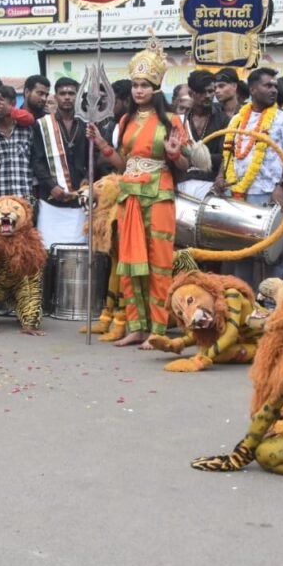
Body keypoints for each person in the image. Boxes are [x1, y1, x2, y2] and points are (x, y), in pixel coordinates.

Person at [87, 36, 188, 347]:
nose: (139, 90)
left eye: (145, 84)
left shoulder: (171, 120)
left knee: (158, 264)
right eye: (135, 85)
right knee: (130, 264)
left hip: (159, 194)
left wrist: (173, 153)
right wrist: (102, 145)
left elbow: (184, 165)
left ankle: (158, 330)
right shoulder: (125, 119)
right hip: (129, 195)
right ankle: (137, 327)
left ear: (156, 87)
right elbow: (123, 162)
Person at [215, 67, 283, 283]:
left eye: (275, 85)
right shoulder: (237, 119)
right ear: (253, 89)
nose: (274, 89)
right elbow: (230, 154)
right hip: (237, 195)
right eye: (268, 85)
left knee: (272, 257)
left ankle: (272, 306)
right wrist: (220, 176)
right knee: (242, 256)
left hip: (269, 196)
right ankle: (244, 302)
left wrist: (281, 186)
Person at [31, 77, 88, 248]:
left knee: (78, 251)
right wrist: (51, 186)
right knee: (47, 250)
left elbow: (93, 157)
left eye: (71, 93)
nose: (67, 97)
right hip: (50, 201)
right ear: (55, 97)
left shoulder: (87, 125)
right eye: (63, 93)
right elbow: (36, 160)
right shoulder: (42, 125)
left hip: (79, 201)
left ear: (77, 97)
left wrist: (87, 178)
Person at [180, 70, 229, 199]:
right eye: (202, 92)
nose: (208, 96)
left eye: (211, 91)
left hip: (211, 185)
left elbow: (226, 156)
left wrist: (193, 157)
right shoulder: (181, 119)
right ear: (191, 93)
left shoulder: (223, 119)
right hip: (182, 183)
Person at [0, 85, 34, 200]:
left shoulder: (26, 129)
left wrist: (9, 111)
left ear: (13, 102)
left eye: (2, 102)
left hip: (25, 197)